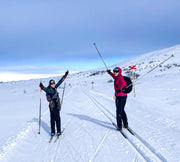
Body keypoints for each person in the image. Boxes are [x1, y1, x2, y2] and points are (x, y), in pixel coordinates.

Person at [39, 71, 69, 136]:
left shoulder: (54, 88)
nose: (53, 85)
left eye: (54, 84)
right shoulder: (49, 89)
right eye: (52, 84)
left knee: (52, 119)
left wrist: (65, 76)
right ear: (50, 84)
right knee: (57, 118)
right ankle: (58, 131)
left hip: (51, 106)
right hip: (55, 105)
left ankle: (53, 132)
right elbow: (45, 89)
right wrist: (42, 87)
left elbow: (60, 82)